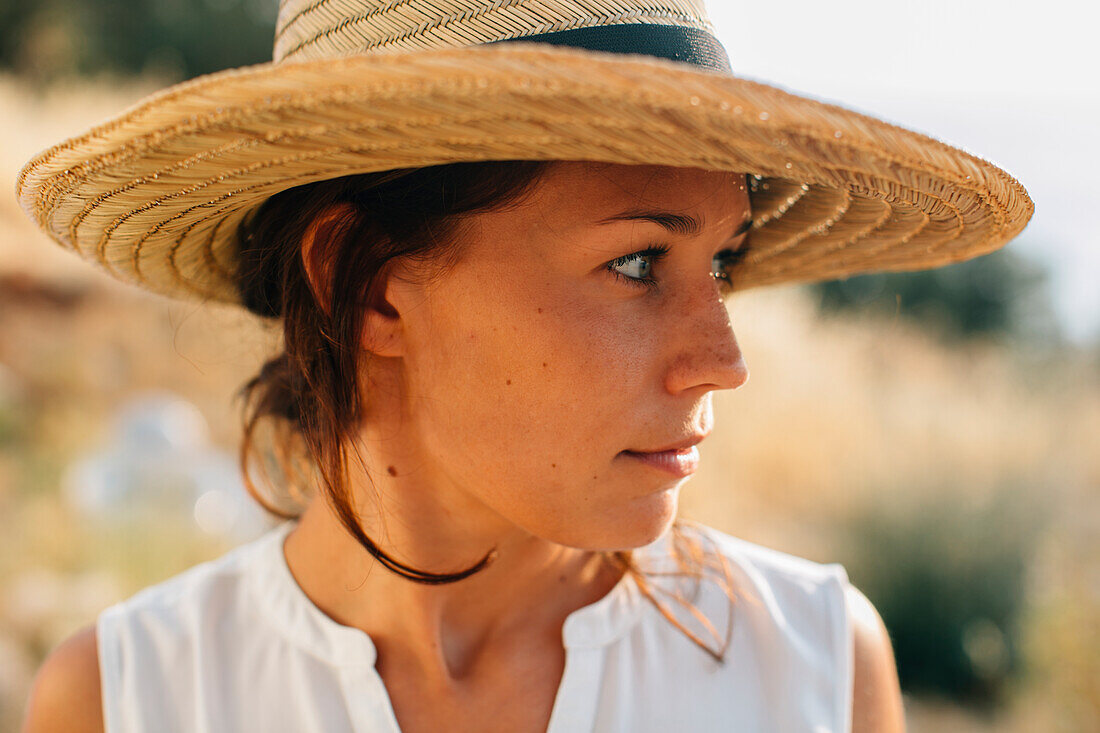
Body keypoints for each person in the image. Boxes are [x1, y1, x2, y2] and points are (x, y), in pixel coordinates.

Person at [17, 1, 1032, 731]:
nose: (721, 361)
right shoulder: (128, 700)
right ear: (364, 287)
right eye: (636, 262)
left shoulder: (808, 667)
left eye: (718, 262)